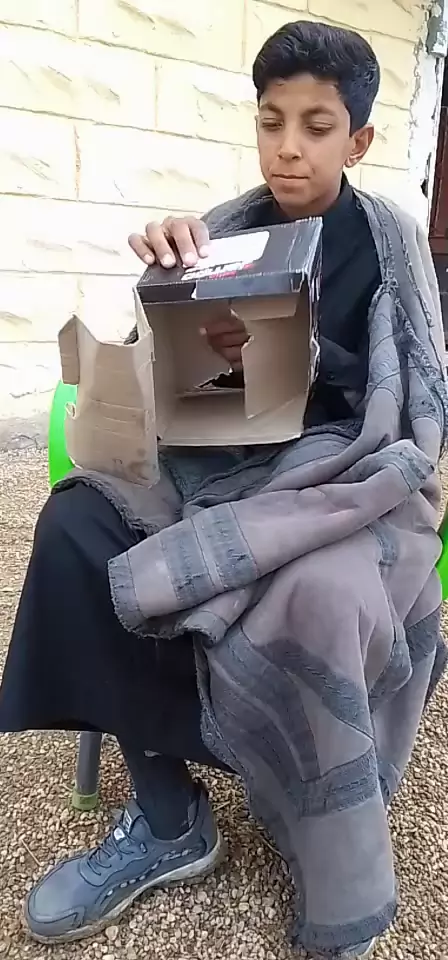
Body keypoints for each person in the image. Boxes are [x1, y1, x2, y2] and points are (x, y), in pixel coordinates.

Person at [0, 20, 443, 960]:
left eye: (316, 125)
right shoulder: (222, 232)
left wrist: (306, 352)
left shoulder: (394, 244)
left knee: (324, 595)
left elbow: (416, 409)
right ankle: (168, 816)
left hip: (345, 478)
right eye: (271, 121)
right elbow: (165, 389)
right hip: (218, 468)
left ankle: (332, 855)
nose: (288, 147)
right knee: (78, 523)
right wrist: (166, 284)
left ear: (358, 139)